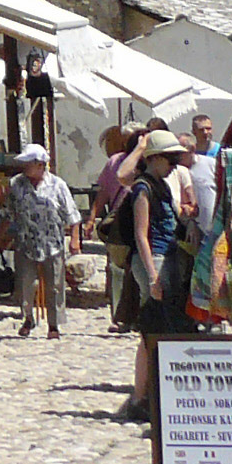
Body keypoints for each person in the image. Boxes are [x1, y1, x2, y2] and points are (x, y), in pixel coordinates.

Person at [122, 128, 190, 422]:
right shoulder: (143, 188)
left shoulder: (159, 184)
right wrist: (152, 276)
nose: (173, 164)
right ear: (155, 158)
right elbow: (141, 234)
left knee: (157, 329)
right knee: (153, 330)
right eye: (169, 158)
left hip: (167, 258)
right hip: (156, 261)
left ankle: (148, 394)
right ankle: (141, 397)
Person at [3, 143, 80, 338]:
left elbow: (72, 214)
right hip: (25, 241)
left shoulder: (57, 185)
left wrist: (75, 239)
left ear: (40, 164)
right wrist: (0, 239)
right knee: (25, 283)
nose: (25, 167)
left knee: (55, 284)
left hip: (52, 242)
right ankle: (28, 318)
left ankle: (54, 324)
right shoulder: (16, 184)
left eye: (30, 163)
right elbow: (8, 212)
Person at [91, 124, 140, 334]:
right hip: (120, 219)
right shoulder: (115, 162)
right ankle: (119, 317)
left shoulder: (147, 161)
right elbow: (103, 192)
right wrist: (92, 217)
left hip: (142, 219)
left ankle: (138, 315)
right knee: (117, 269)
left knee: (139, 268)